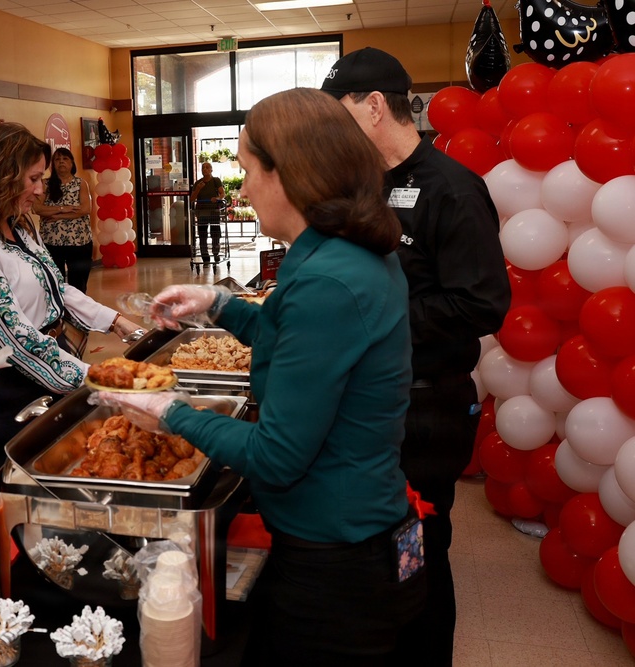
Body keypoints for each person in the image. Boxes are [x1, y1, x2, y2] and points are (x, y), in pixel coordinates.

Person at [97, 87, 427, 664]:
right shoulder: (335, 251)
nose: (243, 188)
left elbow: (278, 454)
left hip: (340, 557)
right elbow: (288, 333)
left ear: (290, 175)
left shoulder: (330, 279)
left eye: (249, 171)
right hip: (359, 530)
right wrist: (219, 304)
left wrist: (170, 412)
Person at [322, 47, 511, 665]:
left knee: (418, 551)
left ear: (375, 107)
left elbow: (482, 305)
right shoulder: (363, 187)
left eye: (338, 112)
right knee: (381, 555)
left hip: (427, 412)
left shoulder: (452, 189)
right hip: (373, 405)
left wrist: (375, 319)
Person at [0, 122, 141, 507]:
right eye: (32, 178)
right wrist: (98, 380)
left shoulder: (16, 225)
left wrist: (118, 322)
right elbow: (14, 337)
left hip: (45, 370)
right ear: (2, 175)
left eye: (41, 178)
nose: (40, 189)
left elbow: (57, 289)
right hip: (0, 393)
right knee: (14, 502)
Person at [32, 147, 94, 292]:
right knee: (55, 280)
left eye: (65, 159)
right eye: (57, 159)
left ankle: (77, 311)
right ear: (52, 164)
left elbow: (85, 209)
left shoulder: (81, 184)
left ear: (72, 163)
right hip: (52, 241)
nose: (61, 162)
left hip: (79, 241)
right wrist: (63, 208)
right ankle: (60, 311)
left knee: (79, 282)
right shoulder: (45, 184)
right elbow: (37, 209)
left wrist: (54, 216)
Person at [188, 161, 224, 263]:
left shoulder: (216, 181)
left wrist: (217, 198)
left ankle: (216, 252)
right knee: (202, 234)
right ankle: (205, 257)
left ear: (211, 169)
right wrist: (198, 189)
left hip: (213, 211)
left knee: (215, 233)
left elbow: (222, 194)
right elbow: (192, 198)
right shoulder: (198, 183)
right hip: (202, 212)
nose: (205, 169)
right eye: (203, 168)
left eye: (207, 167)